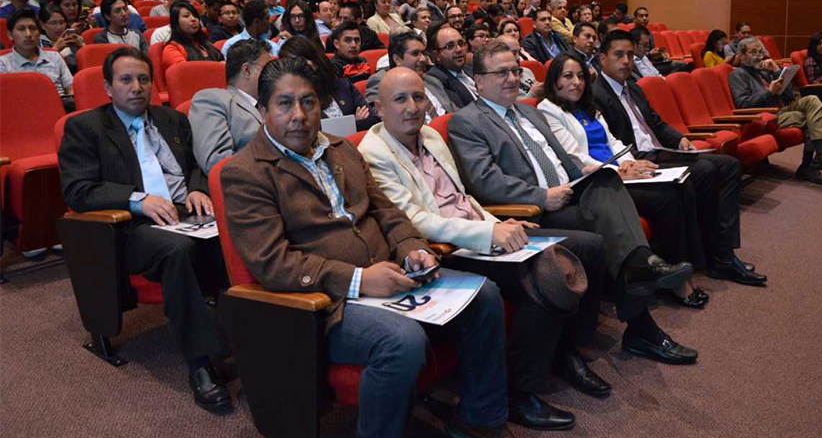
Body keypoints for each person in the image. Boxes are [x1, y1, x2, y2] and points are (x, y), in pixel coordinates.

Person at [220, 56, 510, 438]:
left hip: (391, 275)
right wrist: (358, 280)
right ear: (263, 111)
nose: (299, 115)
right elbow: (272, 263)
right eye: (284, 103)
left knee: (484, 296)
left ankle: (479, 419)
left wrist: (410, 247)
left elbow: (385, 210)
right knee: (401, 341)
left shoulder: (341, 148)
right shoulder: (246, 172)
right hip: (328, 305)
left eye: (309, 102)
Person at [360, 68, 617, 431]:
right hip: (449, 247)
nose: (413, 107)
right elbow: (414, 220)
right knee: (545, 274)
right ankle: (517, 392)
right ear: (379, 108)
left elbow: (464, 196)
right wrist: (488, 232)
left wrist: (498, 221)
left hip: (481, 229)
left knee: (583, 247)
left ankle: (562, 352)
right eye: (400, 99)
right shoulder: (373, 152)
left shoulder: (431, 135)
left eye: (418, 97)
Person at [448, 40, 699, 365]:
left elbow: (565, 160)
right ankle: (642, 311)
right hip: (534, 210)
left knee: (606, 179)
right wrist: (543, 197)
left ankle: (641, 274)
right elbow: (485, 181)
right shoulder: (467, 121)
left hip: (568, 191)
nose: (511, 78)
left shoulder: (528, 110)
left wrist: (586, 174)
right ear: (478, 80)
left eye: (515, 70)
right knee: (603, 236)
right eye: (501, 72)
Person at [58, 46, 231, 413]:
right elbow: (78, 190)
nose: (136, 87)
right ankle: (201, 363)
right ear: (107, 87)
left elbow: (197, 165)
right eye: (125, 80)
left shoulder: (172, 119)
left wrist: (199, 187)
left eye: (142, 79)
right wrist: (138, 200)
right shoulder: (84, 127)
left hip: (185, 213)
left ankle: (249, 337)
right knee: (177, 251)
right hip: (130, 228)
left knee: (234, 234)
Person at [539, 53, 715, 307]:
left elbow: (614, 142)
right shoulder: (549, 110)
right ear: (554, 81)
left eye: (580, 76)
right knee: (664, 199)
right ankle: (674, 280)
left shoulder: (588, 107)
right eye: (568, 76)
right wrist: (617, 170)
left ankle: (686, 268)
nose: (576, 82)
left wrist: (629, 162)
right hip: (597, 180)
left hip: (618, 171)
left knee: (680, 186)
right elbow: (574, 158)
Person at [591, 30, 764, 285]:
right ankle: (713, 256)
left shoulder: (634, 89)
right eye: (619, 55)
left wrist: (679, 139)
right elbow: (605, 142)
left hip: (661, 151)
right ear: (603, 58)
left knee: (729, 165)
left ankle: (723, 251)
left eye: (629, 54)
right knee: (704, 170)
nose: (626, 61)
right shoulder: (596, 94)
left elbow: (657, 124)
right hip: (639, 160)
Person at [728, 37, 822, 185]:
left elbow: (788, 96)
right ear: (742, 55)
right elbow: (743, 104)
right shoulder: (737, 75)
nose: (759, 56)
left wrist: (776, 70)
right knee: (816, 116)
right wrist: (769, 92)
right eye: (753, 52)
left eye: (760, 52)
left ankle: (819, 157)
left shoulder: (764, 71)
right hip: (767, 116)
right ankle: (811, 164)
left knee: (813, 100)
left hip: (782, 108)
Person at [190, 39, 271, 174]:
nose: (273, 75)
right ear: (247, 70)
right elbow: (216, 161)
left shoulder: (271, 104)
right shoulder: (212, 99)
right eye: (268, 68)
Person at [278, 36, 379, 131]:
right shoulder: (291, 101)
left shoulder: (342, 85)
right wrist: (354, 123)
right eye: (289, 63)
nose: (296, 67)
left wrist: (345, 127)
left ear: (315, 62)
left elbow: (374, 120)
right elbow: (312, 132)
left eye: (300, 61)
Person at [364, 29, 455, 123]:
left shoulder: (432, 80)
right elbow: (378, 117)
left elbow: (454, 109)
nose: (423, 59)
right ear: (397, 59)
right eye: (415, 54)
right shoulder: (381, 81)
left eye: (423, 53)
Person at [0, 9, 74, 111]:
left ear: (39, 33)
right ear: (10, 34)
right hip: (25, 111)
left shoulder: (54, 56)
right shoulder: (3, 64)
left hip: (61, 107)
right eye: (21, 29)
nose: (28, 34)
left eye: (32, 28)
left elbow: (71, 88)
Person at [162, 2, 224, 72]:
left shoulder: (204, 44)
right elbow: (187, 72)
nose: (193, 19)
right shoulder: (172, 48)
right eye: (186, 16)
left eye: (195, 16)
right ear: (176, 23)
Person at [427, 24, 478, 108]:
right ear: (437, 55)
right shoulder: (436, 80)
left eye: (461, 43)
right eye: (450, 46)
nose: (459, 49)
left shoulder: (470, 69)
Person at [39, 5, 83, 76]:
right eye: (53, 23)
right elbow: (43, 71)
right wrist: (55, 49)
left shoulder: (73, 40)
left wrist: (83, 48)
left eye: (62, 22)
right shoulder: (38, 44)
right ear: (42, 25)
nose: (59, 27)